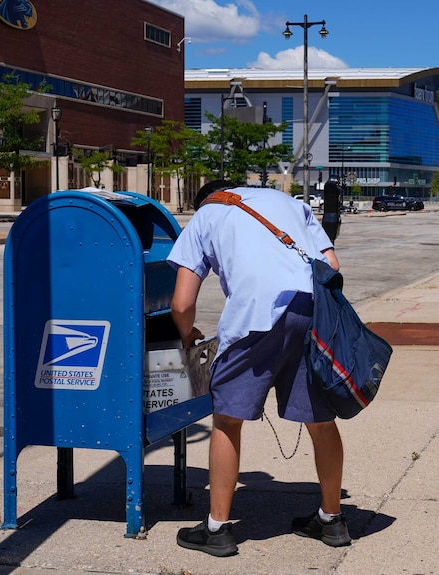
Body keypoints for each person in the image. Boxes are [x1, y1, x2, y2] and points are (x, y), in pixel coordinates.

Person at [168, 180, 349, 557]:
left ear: (205, 200)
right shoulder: (287, 201)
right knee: (320, 419)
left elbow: (182, 303)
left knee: (227, 420)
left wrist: (187, 338)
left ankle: (217, 529)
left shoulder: (206, 215)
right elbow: (331, 265)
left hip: (253, 318)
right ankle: (331, 520)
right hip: (309, 310)